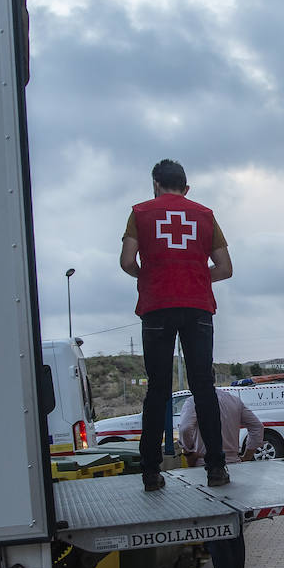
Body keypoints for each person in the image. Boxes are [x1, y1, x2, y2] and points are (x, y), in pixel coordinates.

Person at [119, 159, 233, 493]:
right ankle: (216, 468)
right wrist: (195, 277)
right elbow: (225, 268)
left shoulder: (140, 213)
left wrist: (150, 277)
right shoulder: (205, 215)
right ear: (186, 187)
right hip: (197, 307)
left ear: (156, 184)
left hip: (157, 306)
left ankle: (151, 472)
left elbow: (127, 261)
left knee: (157, 389)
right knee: (203, 387)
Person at [176, 390, 263, 568]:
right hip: (234, 467)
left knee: (215, 531)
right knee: (235, 531)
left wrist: (189, 451)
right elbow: (257, 427)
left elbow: (185, 428)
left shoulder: (194, 400)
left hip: (206, 468)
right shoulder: (233, 400)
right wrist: (247, 456)